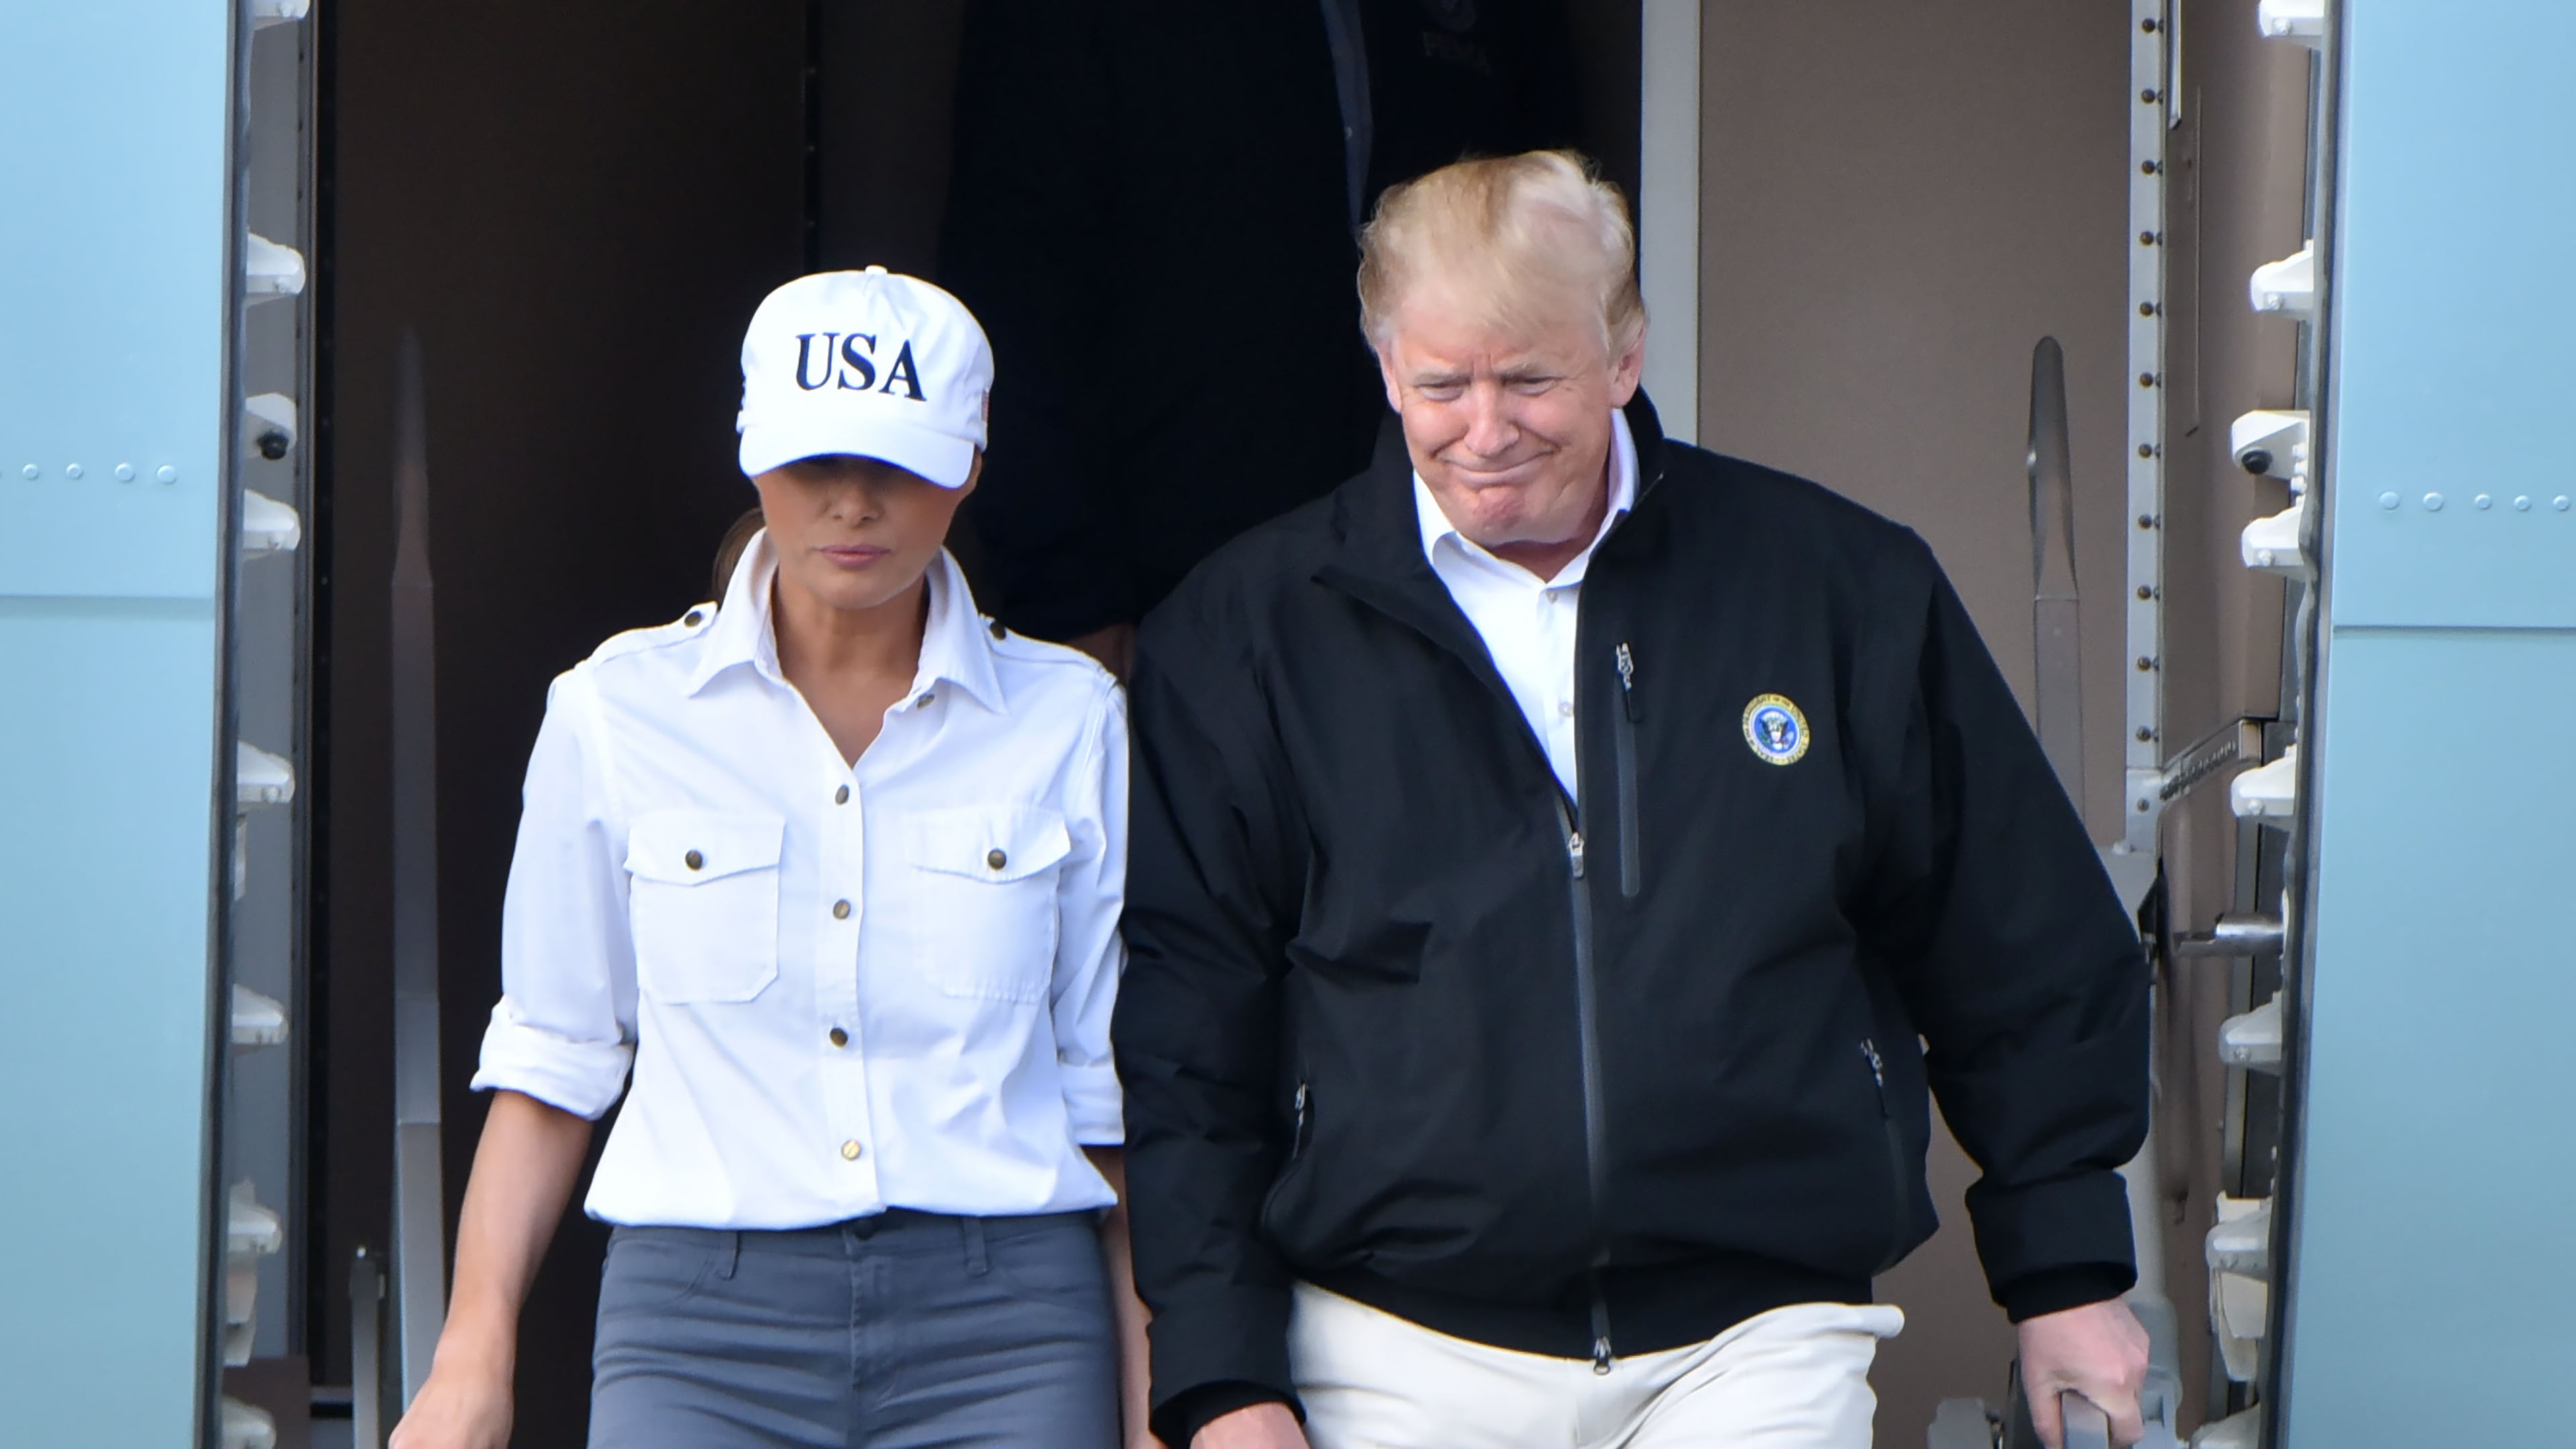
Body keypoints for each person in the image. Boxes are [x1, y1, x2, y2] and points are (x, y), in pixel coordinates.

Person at [1114, 152, 2154, 1449]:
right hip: (1389, 1343)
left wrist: (2067, 1271)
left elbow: (2012, 935)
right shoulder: (1247, 632)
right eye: (1441, 385)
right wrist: (1222, 1376)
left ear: (1624, 356)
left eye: (1529, 380)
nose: (1484, 429)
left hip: (1754, 1334)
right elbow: (1191, 1027)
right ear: (1385, 370)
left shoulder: (1836, 587)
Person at [390, 267, 1146, 1449]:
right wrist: (470, 1359)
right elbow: (554, 1058)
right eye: (813, 460)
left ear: (969, 464)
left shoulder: (1070, 719)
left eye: (897, 462)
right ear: (752, 456)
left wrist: (1155, 1407)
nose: (853, 501)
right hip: (700, 1325)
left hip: (1007, 1325)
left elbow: (1102, 1090)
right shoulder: (615, 711)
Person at [938, 0, 1581, 676]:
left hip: (1459, 577)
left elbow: (1563, 249)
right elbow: (1015, 288)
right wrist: (1070, 602)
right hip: (1179, 588)